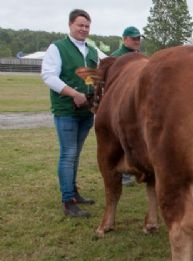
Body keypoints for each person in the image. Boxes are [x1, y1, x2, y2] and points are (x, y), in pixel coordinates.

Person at [41, 9, 98, 218]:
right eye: (80, 25)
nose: (84, 29)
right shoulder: (57, 48)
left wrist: (93, 91)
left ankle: (73, 191)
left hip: (86, 112)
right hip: (66, 111)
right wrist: (74, 93)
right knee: (68, 154)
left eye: (87, 26)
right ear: (70, 25)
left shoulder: (91, 52)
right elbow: (48, 76)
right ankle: (68, 200)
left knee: (75, 155)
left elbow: (92, 78)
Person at [111, 26, 143, 186]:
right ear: (124, 39)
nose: (137, 41)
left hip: (135, 103)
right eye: (133, 38)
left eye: (138, 38)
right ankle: (122, 171)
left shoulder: (141, 57)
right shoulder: (116, 57)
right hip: (120, 103)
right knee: (120, 137)